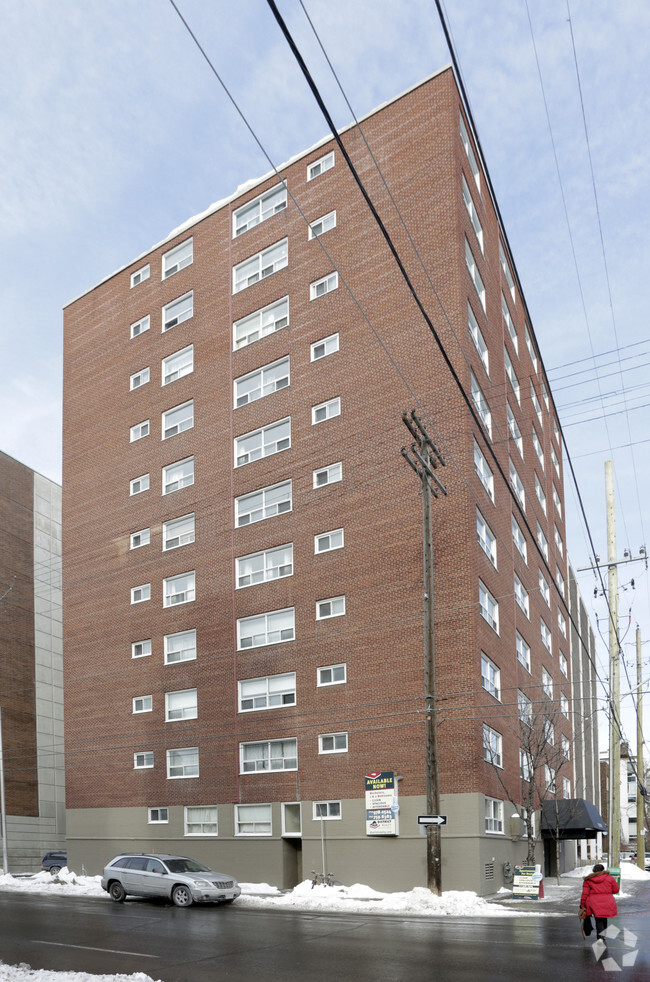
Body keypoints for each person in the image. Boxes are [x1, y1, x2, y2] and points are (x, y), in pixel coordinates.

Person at [580, 863, 620, 940]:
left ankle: (600, 937)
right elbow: (616, 890)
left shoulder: (588, 879)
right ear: (603, 870)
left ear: (594, 870)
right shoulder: (610, 878)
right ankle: (603, 936)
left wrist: (582, 904)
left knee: (598, 919)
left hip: (594, 902)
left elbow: (585, 893)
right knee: (604, 918)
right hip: (607, 901)